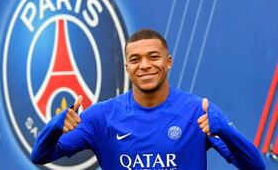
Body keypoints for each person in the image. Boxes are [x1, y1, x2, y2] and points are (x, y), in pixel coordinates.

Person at [31, 29, 265, 169]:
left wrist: (225, 131)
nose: (144, 65)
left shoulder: (198, 111)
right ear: (127, 67)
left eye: (154, 57)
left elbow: (256, 166)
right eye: (135, 59)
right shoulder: (102, 117)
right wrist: (55, 127)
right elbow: (40, 155)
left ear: (169, 62)